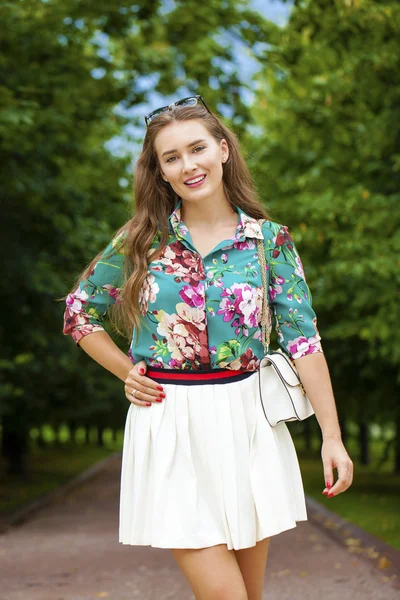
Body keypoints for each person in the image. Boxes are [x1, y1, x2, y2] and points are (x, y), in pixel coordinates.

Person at [62, 95, 353, 600]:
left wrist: (332, 436)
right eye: (171, 157)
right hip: (170, 420)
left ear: (222, 150)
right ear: (161, 173)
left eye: (197, 148)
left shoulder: (269, 242)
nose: (187, 164)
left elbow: (304, 341)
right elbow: (78, 312)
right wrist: (126, 371)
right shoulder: (141, 240)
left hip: (249, 424)